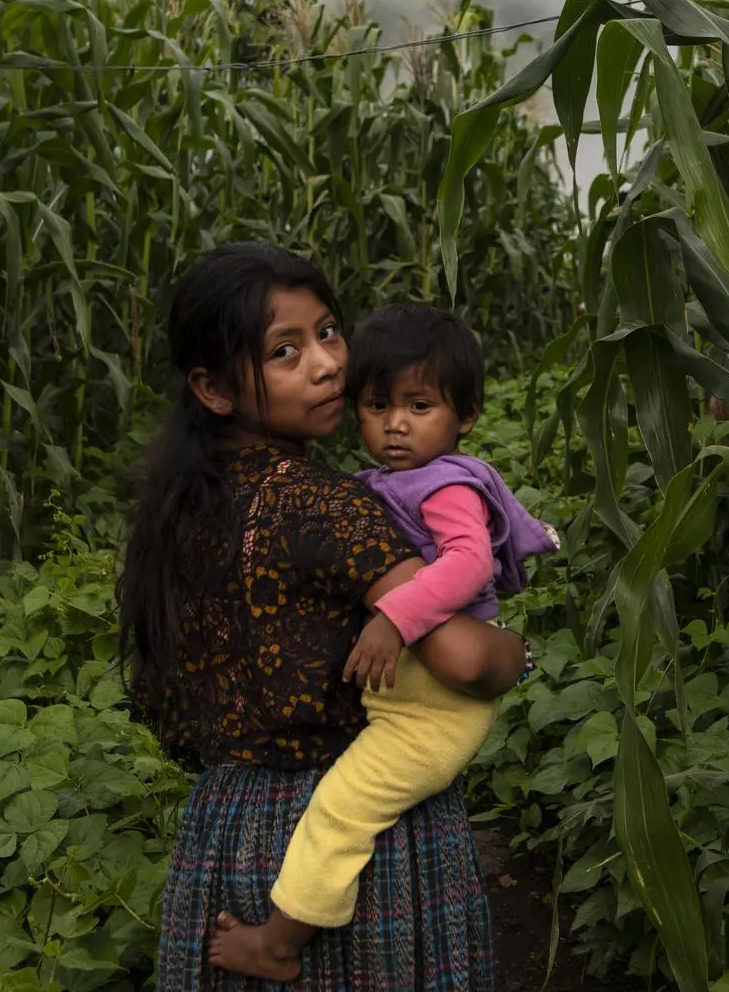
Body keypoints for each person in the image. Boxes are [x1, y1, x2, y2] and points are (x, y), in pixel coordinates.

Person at [122, 243, 529, 990]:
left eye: (329, 332)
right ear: (213, 388)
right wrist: (518, 651)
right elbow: (465, 660)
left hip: (228, 829)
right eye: (286, 351)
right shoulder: (326, 503)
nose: (327, 363)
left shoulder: (183, 507)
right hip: (364, 851)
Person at [208, 305, 558, 982]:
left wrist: (396, 617)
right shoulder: (384, 483)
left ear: (467, 415)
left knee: (341, 810)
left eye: (419, 405)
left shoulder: (448, 482)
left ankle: (279, 945)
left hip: (436, 708)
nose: (395, 423)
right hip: (421, 695)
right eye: (376, 404)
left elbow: (468, 564)